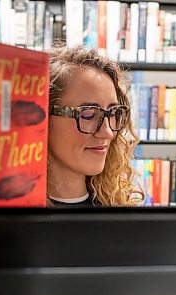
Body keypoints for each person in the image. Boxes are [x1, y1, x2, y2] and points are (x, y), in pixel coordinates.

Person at [46, 46, 143, 206]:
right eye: (88, 115)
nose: (108, 133)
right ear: (44, 117)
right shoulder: (7, 219)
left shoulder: (118, 213)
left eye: (112, 113)